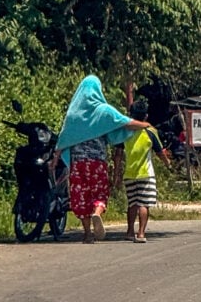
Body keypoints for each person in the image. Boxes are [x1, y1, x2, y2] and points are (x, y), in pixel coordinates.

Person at [55, 76, 153, 243]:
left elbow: (64, 137)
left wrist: (56, 156)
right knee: (99, 193)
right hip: (98, 162)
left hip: (78, 163)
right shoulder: (103, 110)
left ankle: (87, 234)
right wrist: (146, 125)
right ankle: (97, 213)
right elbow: (125, 123)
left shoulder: (73, 113)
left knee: (81, 196)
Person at [112, 97, 171, 244]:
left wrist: (116, 173)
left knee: (132, 203)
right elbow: (159, 151)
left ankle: (129, 231)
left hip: (129, 173)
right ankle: (141, 233)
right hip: (146, 173)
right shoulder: (150, 131)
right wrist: (167, 163)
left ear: (130, 115)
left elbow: (118, 154)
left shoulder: (125, 131)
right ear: (146, 116)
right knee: (144, 204)